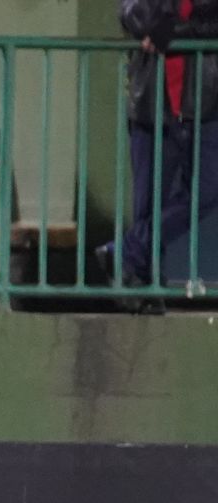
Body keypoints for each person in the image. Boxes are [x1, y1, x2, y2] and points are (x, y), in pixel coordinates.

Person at [96, 0, 218, 308]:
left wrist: (174, 32)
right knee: (149, 203)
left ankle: (126, 252)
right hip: (152, 102)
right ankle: (145, 288)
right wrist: (156, 23)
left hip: (205, 103)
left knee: (207, 189)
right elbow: (129, 14)